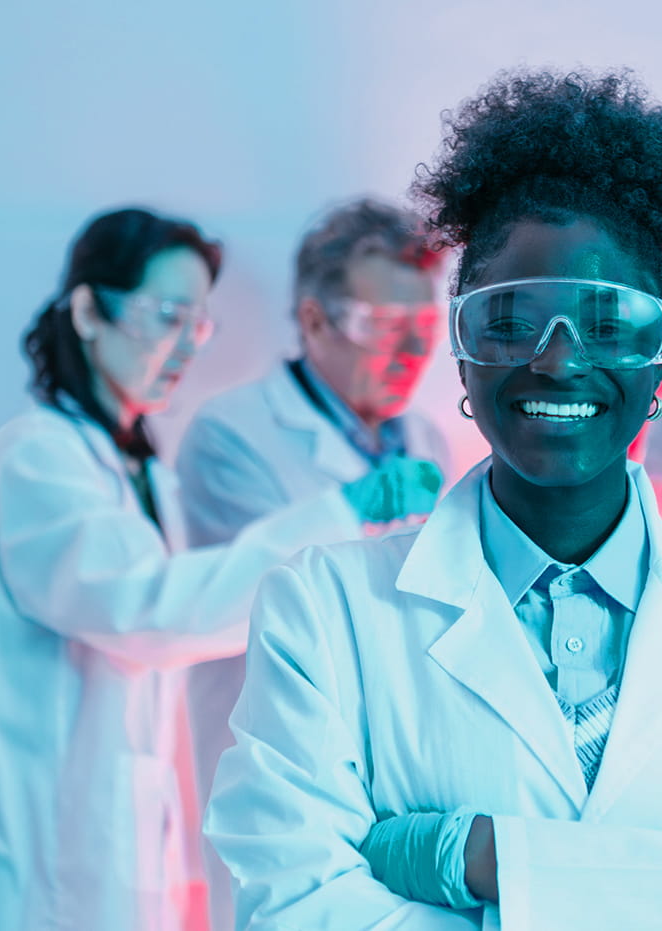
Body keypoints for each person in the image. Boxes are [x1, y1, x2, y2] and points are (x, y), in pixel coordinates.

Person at [205, 69, 662, 930]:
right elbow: (294, 908)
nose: (557, 359)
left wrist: (481, 857)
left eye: (609, 323)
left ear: (661, 355)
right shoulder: (322, 610)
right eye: (510, 321)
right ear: (463, 350)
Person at [0, 208, 349, 931]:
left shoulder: (142, 473)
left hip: (114, 864)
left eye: (198, 326)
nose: (186, 346)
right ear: (89, 311)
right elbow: (152, 611)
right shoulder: (36, 457)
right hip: (32, 877)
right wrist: (333, 516)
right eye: (169, 317)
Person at [175, 197, 449, 930]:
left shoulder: (425, 438)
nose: (412, 350)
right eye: (383, 324)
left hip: (403, 764)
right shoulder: (232, 434)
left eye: (424, 326)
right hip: (284, 761)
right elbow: (267, 597)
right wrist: (353, 509)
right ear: (315, 319)